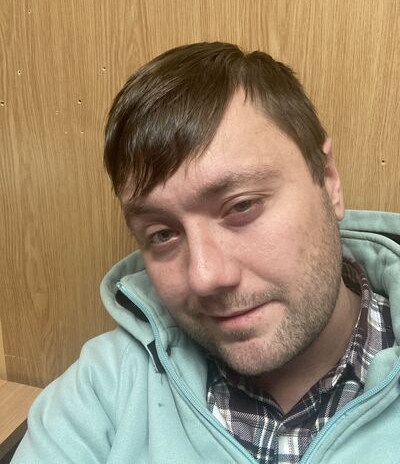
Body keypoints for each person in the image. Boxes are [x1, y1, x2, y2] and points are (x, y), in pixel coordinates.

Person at [13, 42, 400, 463]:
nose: (204, 276)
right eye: (163, 234)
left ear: (328, 180)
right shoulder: (102, 392)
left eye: (242, 206)